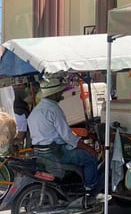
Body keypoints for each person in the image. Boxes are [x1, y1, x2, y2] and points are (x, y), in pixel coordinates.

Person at [28, 78, 102, 206]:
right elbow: (68, 137)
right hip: (56, 154)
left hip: (40, 153)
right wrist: (88, 148)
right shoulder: (54, 109)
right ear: (55, 93)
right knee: (89, 158)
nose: (62, 94)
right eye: (60, 92)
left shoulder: (36, 111)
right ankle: (90, 191)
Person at [13, 82, 32, 149]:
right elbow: (29, 100)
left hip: (15, 114)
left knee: (19, 133)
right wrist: (31, 95)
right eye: (25, 85)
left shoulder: (12, 91)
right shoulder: (19, 91)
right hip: (20, 114)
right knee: (21, 134)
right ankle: (18, 149)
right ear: (21, 84)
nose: (25, 86)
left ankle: (18, 148)